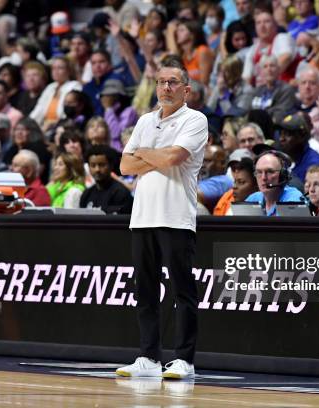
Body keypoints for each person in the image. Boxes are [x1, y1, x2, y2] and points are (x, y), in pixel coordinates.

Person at [116, 56, 207, 379]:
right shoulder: (144, 121)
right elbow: (125, 167)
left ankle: (184, 359)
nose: (165, 87)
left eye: (172, 82)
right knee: (145, 290)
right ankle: (149, 358)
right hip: (142, 217)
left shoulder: (195, 120)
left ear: (186, 89)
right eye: (161, 81)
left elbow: (174, 157)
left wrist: (143, 154)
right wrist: (152, 157)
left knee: (182, 290)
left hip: (176, 216)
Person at [245, 150, 305, 215]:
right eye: (259, 172)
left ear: (283, 175)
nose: (263, 178)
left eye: (270, 171)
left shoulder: (294, 201)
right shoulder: (253, 199)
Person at [80, 145, 132, 214]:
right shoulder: (86, 194)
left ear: (111, 166)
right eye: (93, 165)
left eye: (101, 165)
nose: (97, 169)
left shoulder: (121, 193)